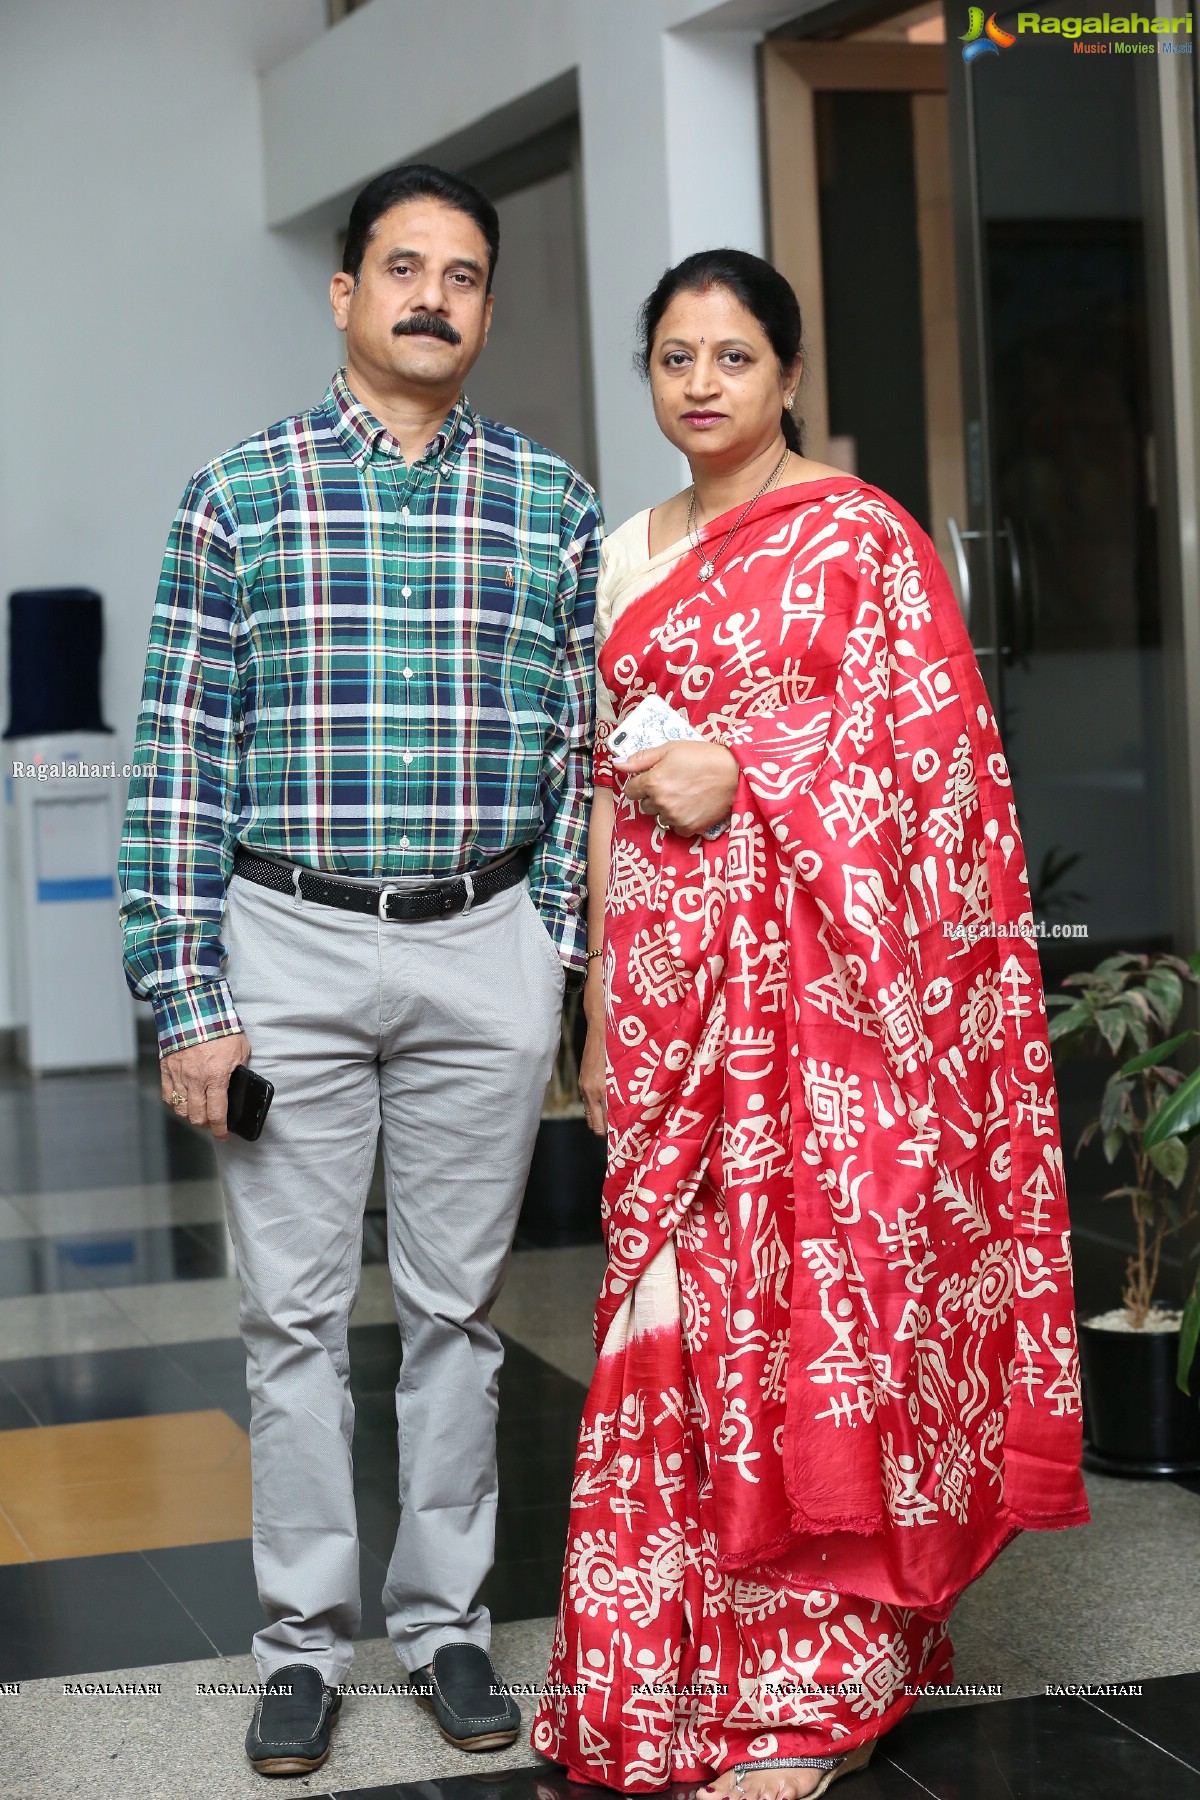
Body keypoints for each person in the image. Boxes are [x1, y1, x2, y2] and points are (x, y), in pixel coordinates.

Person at [532, 249, 1089, 1798]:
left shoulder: (860, 541)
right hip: (660, 986)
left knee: (811, 1326)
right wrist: (593, 992)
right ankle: (665, 1666)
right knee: (669, 1315)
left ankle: (811, 1690)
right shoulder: (625, 556)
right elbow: (601, 791)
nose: (701, 384)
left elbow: (935, 773)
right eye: (674, 359)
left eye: (732, 357)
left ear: (788, 377)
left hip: (826, 1010)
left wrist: (752, 775)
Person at [118, 162, 601, 1778]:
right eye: (403, 267)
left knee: (464, 1314)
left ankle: (450, 1629)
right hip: (291, 944)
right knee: (296, 1322)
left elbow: (580, 757)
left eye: (463, 275)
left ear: (484, 306)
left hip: (484, 944)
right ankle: (304, 1646)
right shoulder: (236, 494)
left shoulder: (551, 503)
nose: (432, 297)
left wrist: (562, 961)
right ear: (344, 294)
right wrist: (187, 997)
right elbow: (178, 757)